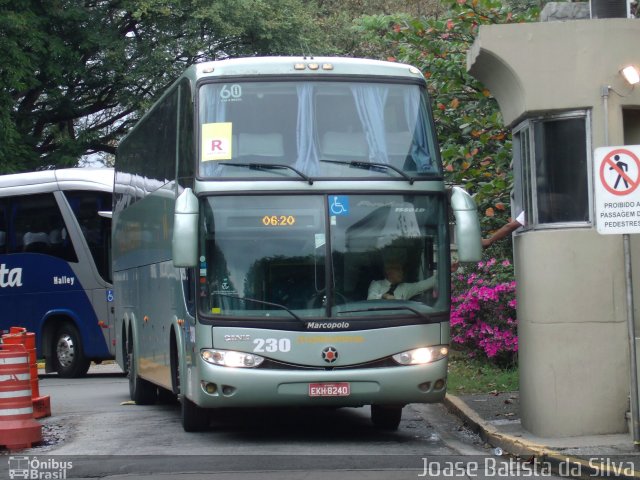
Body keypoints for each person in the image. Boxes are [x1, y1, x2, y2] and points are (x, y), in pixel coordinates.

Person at [367, 260, 435, 300]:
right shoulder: (377, 284)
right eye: (398, 269)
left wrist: (443, 271)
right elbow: (370, 297)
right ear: (388, 271)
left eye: (401, 270)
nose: (401, 272)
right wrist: (383, 296)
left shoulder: (405, 287)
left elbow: (424, 284)